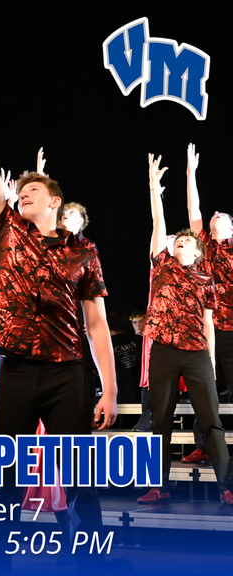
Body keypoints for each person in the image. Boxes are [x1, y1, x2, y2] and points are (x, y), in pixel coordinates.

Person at [0, 54, 118, 565]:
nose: (23, 194)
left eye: (34, 190)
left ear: (55, 202)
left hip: (68, 373)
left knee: (80, 475)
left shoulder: (83, 251)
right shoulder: (5, 230)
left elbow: (97, 324)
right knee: (6, 474)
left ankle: (89, 555)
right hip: (15, 370)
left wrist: (111, 387)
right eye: (20, 191)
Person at [137, 154, 232, 505]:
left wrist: (210, 359)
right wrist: (154, 189)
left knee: (211, 420)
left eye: (187, 241)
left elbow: (208, 322)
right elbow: (157, 220)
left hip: (196, 353)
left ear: (198, 251)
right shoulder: (161, 265)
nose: (180, 242)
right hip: (163, 350)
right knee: (159, 421)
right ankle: (158, 485)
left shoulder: (206, 279)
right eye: (177, 240)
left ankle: (226, 486)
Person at [187, 143, 233, 403]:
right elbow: (194, 210)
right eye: (214, 213)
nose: (215, 213)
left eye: (222, 214)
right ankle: (205, 429)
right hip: (207, 324)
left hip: (231, 328)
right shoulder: (203, 244)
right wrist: (190, 173)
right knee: (205, 388)